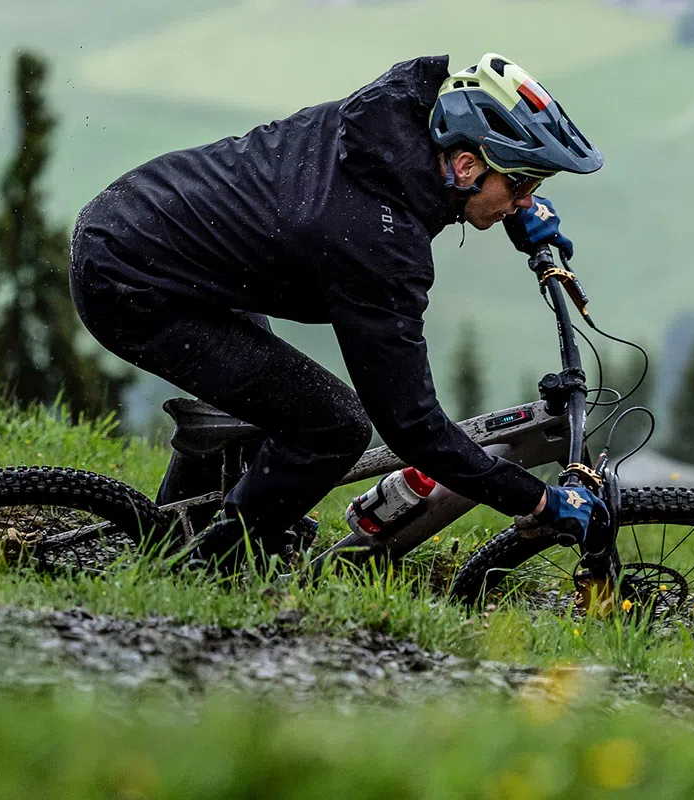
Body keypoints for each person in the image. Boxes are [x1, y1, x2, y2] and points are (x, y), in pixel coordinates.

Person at [69, 54, 606, 563]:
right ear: (465, 165)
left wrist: (513, 206)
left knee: (262, 403)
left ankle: (170, 539)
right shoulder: (380, 245)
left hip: (150, 224)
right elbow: (412, 426)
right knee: (335, 426)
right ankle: (214, 568)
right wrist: (535, 501)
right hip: (130, 280)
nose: (526, 199)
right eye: (522, 184)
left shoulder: (397, 116)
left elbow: (449, 185)